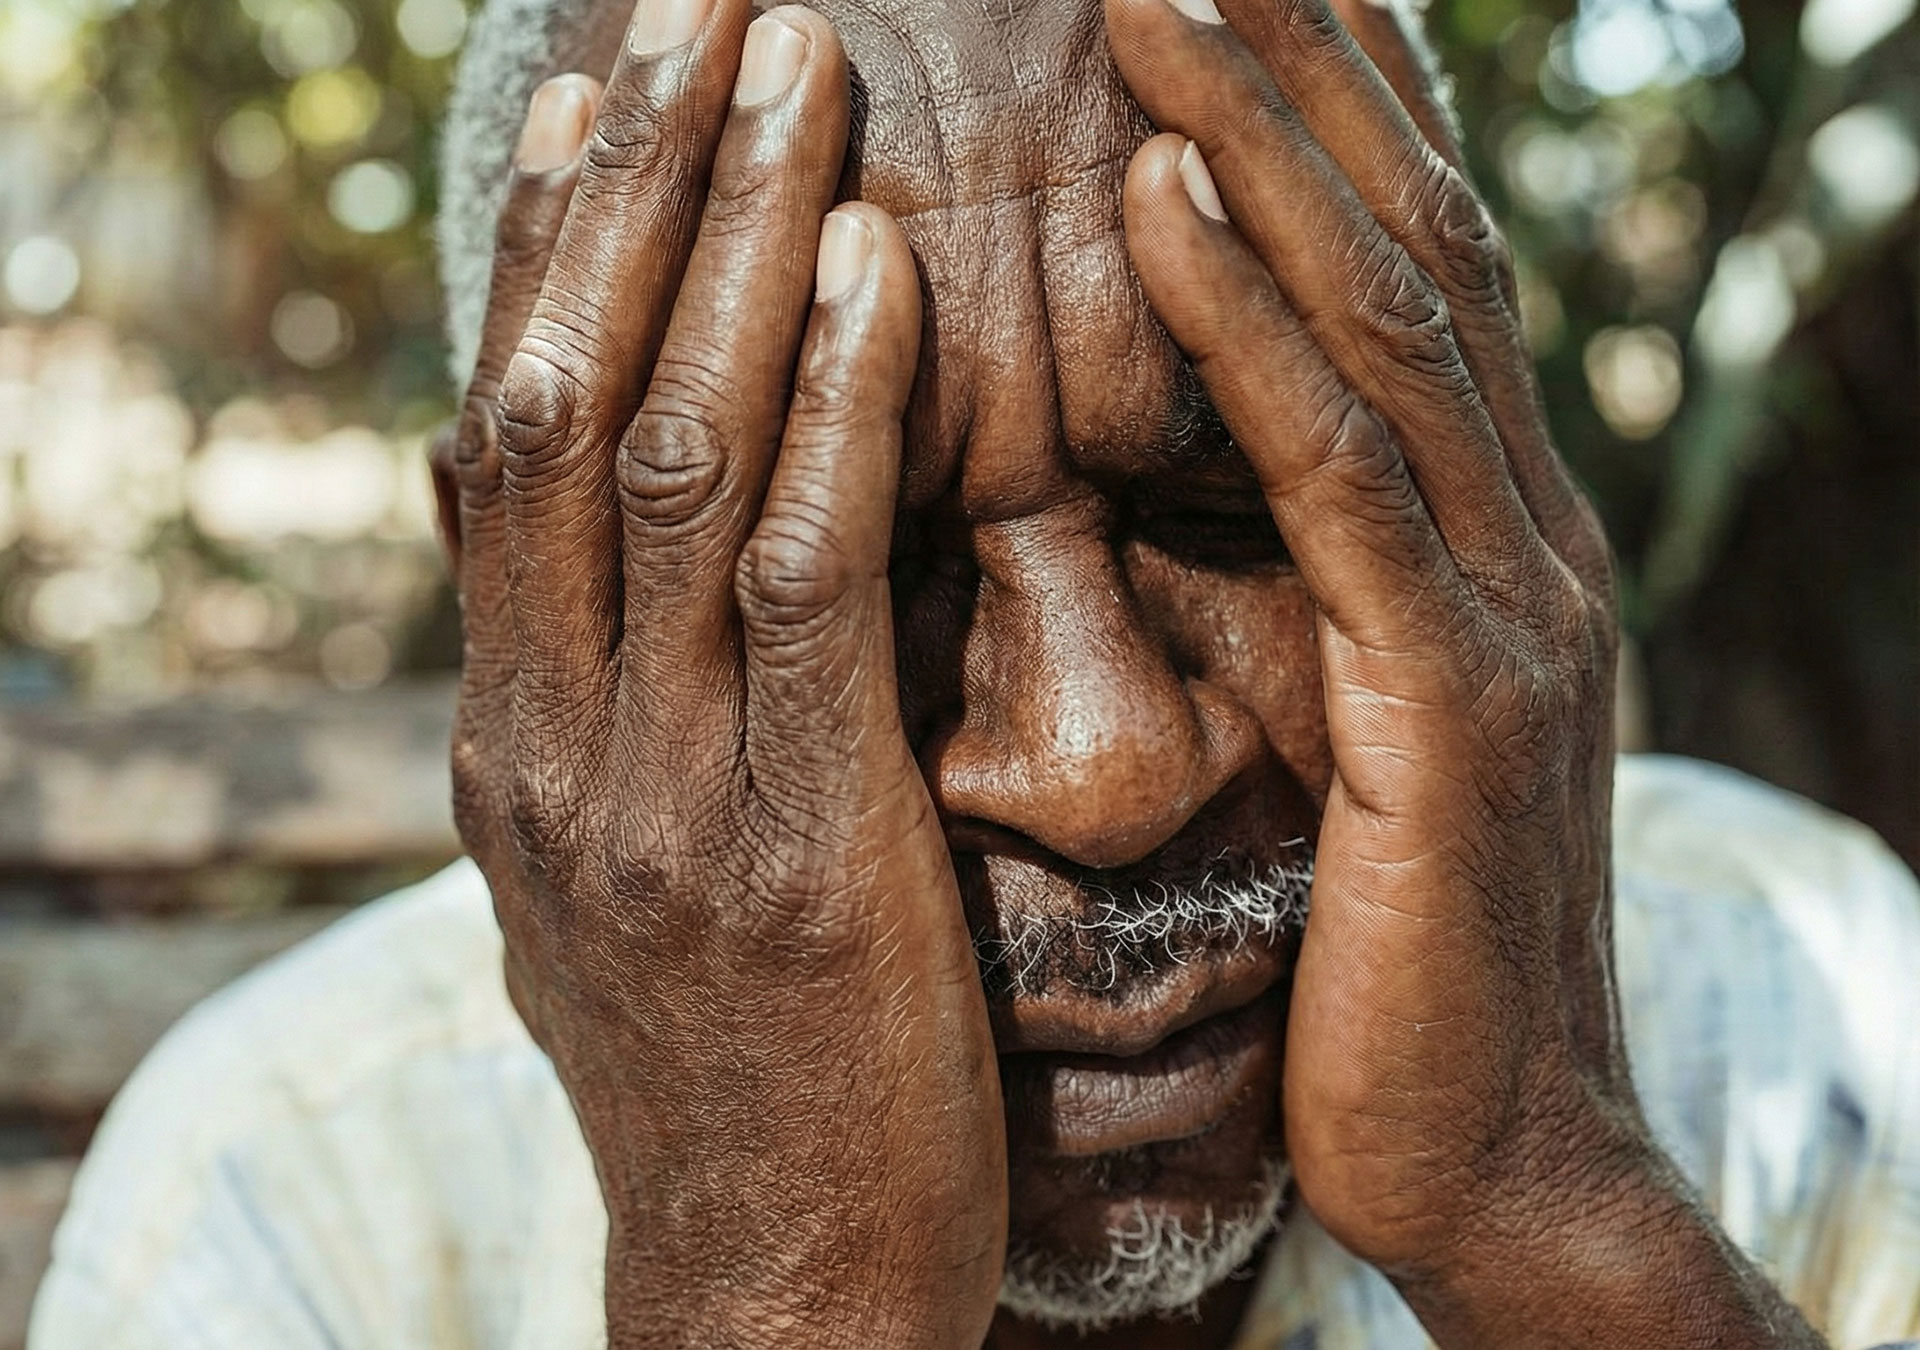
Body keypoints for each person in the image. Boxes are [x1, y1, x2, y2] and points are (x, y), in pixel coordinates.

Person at [29, 0, 1920, 1344]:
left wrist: (1549, 1204)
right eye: (851, 566)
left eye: (1232, 497)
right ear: (525, 628)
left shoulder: (1804, 999)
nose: (1105, 771)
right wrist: (782, 1304)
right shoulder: (292, 1194)